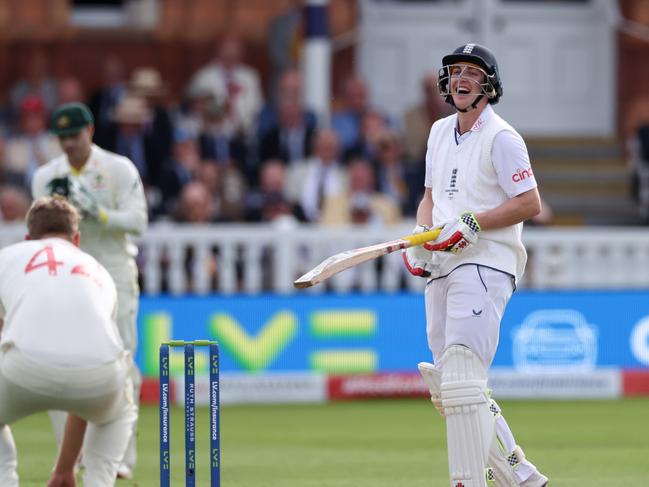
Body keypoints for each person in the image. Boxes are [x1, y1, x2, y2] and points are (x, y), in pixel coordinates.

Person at [402, 44, 550, 487]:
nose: (462, 79)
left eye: (472, 72)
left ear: (489, 84)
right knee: (454, 389)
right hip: (444, 266)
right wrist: (420, 238)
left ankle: (467, 482)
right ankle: (522, 478)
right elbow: (431, 198)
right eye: (455, 72)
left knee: (464, 376)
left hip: (486, 262)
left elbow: (530, 203)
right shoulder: (437, 131)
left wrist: (474, 222)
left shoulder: (502, 137)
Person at [31, 102, 147, 480]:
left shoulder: (117, 168)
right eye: (61, 137)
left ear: (91, 131)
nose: (68, 144)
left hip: (113, 273)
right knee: (58, 366)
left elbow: (138, 223)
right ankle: (75, 455)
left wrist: (96, 213)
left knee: (121, 363)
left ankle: (121, 458)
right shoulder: (46, 175)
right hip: (66, 277)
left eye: (74, 135)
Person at [0, 196, 137, 486]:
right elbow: (86, 365)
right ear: (76, 239)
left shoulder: (9, 255)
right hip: (98, 376)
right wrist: (64, 468)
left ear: (28, 238)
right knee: (119, 408)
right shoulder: (99, 271)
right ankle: (99, 480)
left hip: (23, 370)